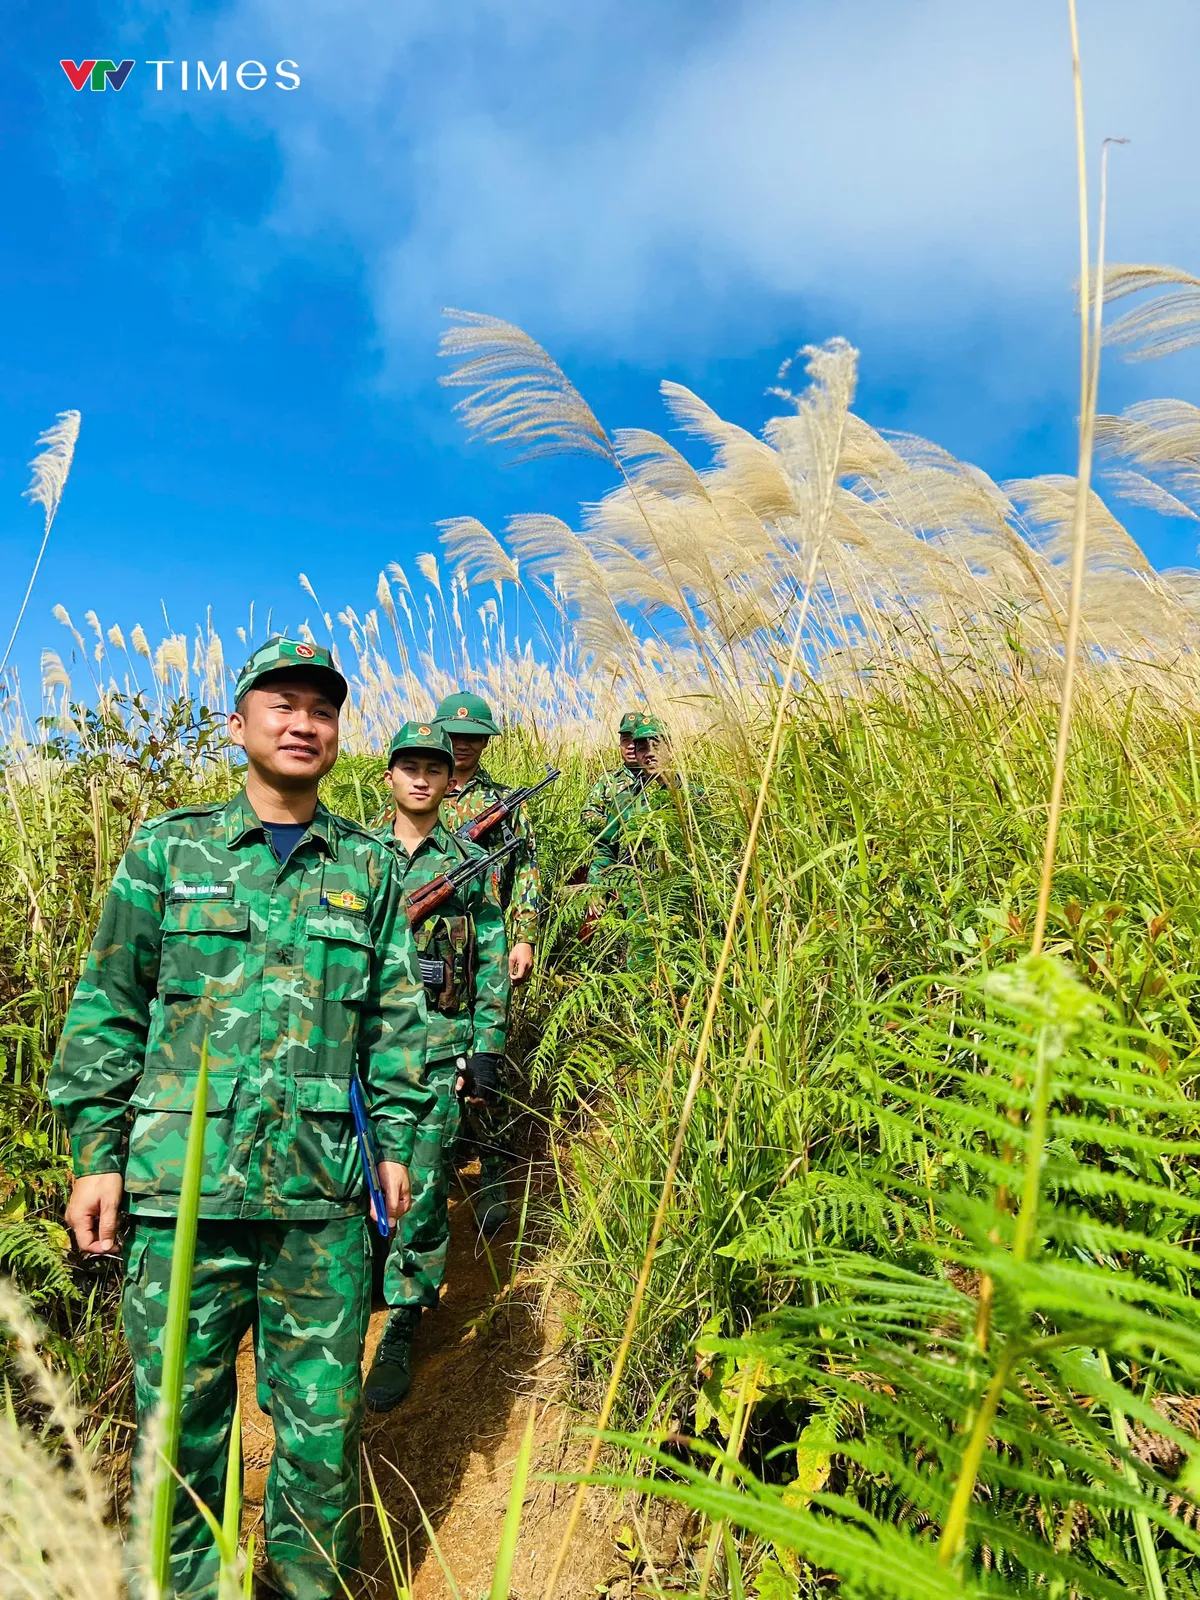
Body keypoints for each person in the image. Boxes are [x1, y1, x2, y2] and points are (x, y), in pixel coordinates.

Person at [48, 637, 432, 1600]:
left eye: (323, 709)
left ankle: (304, 1587)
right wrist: (97, 1155)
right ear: (240, 724)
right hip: (184, 1192)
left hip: (321, 1196)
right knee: (178, 1423)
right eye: (282, 704)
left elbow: (392, 1020)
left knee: (320, 1427)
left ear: (339, 734)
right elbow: (107, 1007)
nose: (304, 723)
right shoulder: (168, 850)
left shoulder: (369, 869)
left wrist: (394, 1141)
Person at [364, 720, 509, 1413]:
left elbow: (490, 959)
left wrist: (485, 1048)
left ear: (450, 781)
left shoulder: (466, 864)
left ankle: (403, 1318)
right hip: (358, 1055)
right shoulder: (354, 857)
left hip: (437, 1051)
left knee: (419, 1190)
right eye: (408, 767)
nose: (421, 778)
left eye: (434, 767)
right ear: (388, 776)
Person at [434, 691, 542, 1234]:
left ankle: (494, 1172)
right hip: (428, 951)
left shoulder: (503, 803)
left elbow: (525, 871)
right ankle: (440, 1159)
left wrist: (522, 937)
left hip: (487, 945)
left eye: (475, 737)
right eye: (456, 737)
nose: (465, 747)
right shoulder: (411, 792)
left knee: (487, 1054)